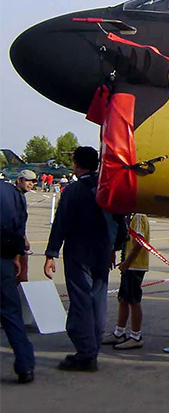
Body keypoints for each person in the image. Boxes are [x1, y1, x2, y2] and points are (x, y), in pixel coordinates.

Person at [43, 147, 123, 372]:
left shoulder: (74, 191)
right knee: (98, 300)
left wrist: (51, 253)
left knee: (81, 302)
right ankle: (93, 347)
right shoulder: (106, 188)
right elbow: (120, 221)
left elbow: (61, 224)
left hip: (79, 252)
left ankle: (86, 354)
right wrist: (113, 247)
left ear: (78, 165)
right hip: (102, 252)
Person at [1, 170, 37, 383]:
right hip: (4, 260)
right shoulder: (14, 196)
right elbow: (19, 231)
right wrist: (16, 257)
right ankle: (25, 365)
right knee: (12, 315)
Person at [103, 213, 150, 350]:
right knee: (123, 298)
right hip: (129, 265)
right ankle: (119, 332)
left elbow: (139, 241)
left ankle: (136, 336)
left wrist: (128, 262)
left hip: (135, 266)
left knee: (133, 300)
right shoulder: (131, 216)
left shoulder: (139, 216)